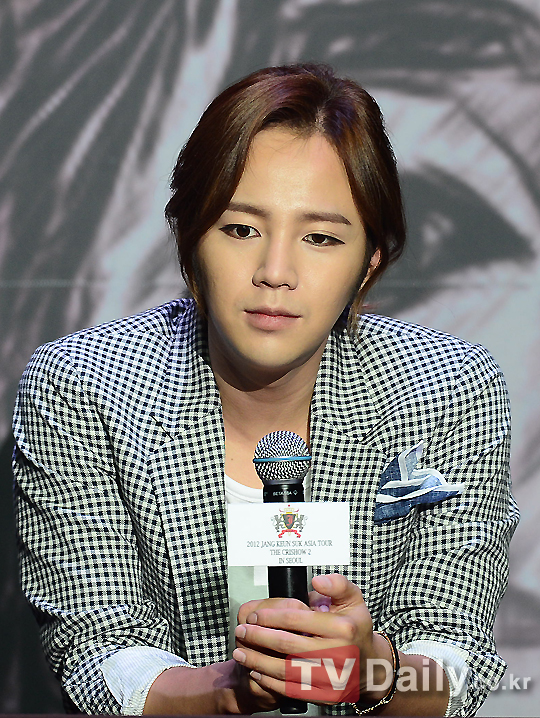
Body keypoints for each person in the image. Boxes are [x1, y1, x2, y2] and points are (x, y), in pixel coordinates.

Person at [12, 63, 518, 716]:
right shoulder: (85, 386)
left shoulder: (448, 389)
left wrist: (376, 670)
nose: (275, 272)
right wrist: (230, 689)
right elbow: (96, 649)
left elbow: (458, 659)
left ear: (369, 262)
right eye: (241, 229)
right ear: (190, 239)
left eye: (320, 238)